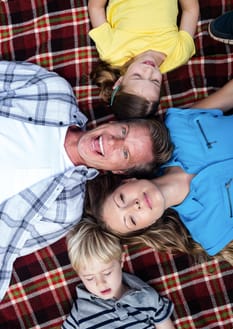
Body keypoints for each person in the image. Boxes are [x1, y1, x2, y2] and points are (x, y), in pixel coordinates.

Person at [0, 60, 173, 302]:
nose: (110, 142)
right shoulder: (52, 91)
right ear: (114, 122)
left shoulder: (64, 210)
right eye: (123, 132)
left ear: (122, 172)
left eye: (124, 154)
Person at [84, 79, 233, 266]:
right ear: (147, 225)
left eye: (122, 199)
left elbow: (229, 95)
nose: (135, 205)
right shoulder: (210, 232)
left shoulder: (176, 129)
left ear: (128, 181)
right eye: (131, 220)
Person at [62, 218, 181, 329]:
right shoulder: (81, 312)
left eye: (107, 273)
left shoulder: (147, 298)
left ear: (121, 261)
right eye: (89, 278)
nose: (100, 284)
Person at [88, 0, 199, 118]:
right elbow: (190, 10)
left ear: (120, 81)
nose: (148, 70)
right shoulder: (179, 54)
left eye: (137, 76)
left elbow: (96, 8)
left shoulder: (111, 51)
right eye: (154, 81)